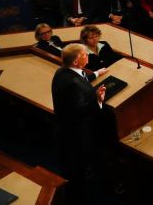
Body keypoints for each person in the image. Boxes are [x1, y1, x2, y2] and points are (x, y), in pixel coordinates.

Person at [52, 44, 106, 204]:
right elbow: (79, 111)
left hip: (65, 131)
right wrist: (98, 100)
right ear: (76, 62)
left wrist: (96, 74)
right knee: (77, 170)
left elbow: (81, 79)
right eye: (84, 54)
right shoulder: (73, 84)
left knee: (72, 167)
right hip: (76, 135)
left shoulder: (62, 72)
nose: (88, 55)